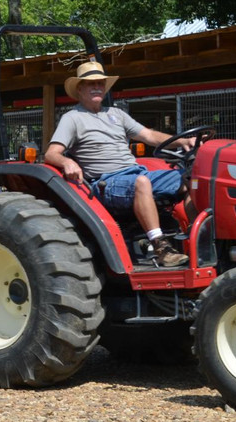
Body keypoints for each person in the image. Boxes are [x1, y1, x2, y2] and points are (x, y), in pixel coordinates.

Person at [44, 60, 194, 267]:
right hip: (106, 183)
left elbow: (149, 135)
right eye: (91, 84)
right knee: (142, 183)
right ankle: (161, 248)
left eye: (100, 83)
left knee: (192, 178)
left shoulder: (116, 114)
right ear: (79, 89)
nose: (97, 87)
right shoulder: (72, 118)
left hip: (136, 173)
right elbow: (51, 154)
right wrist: (66, 161)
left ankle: (199, 238)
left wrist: (184, 141)